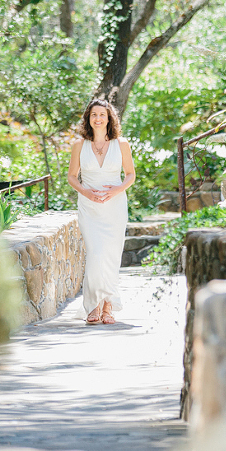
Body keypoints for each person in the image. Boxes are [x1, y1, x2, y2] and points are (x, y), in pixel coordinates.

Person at [67, 98, 136, 325]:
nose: (98, 118)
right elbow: (72, 177)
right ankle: (93, 304)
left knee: (111, 256)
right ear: (88, 118)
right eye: (94, 114)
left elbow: (130, 175)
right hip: (89, 208)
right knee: (96, 254)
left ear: (109, 119)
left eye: (102, 115)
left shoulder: (121, 144)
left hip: (115, 207)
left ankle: (108, 306)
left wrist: (117, 189)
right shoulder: (79, 145)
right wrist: (86, 193)